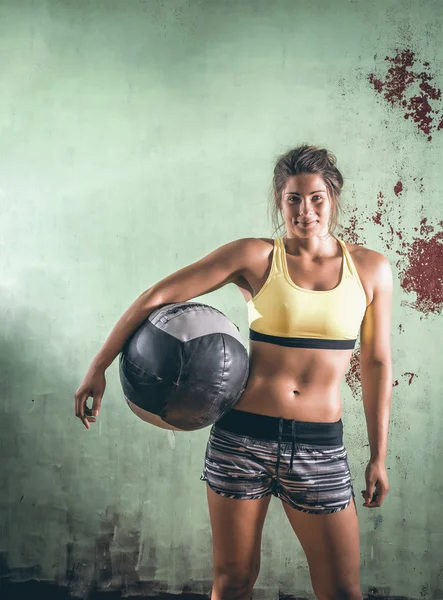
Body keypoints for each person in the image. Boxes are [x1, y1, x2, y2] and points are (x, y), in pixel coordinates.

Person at [74, 145, 392, 600]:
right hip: (241, 440)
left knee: (342, 590)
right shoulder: (256, 257)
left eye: (316, 198)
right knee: (234, 582)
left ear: (333, 198)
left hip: (319, 447)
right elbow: (155, 297)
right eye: (293, 199)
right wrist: (98, 367)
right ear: (280, 202)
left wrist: (379, 455)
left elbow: (378, 363)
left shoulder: (371, 269)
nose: (305, 211)